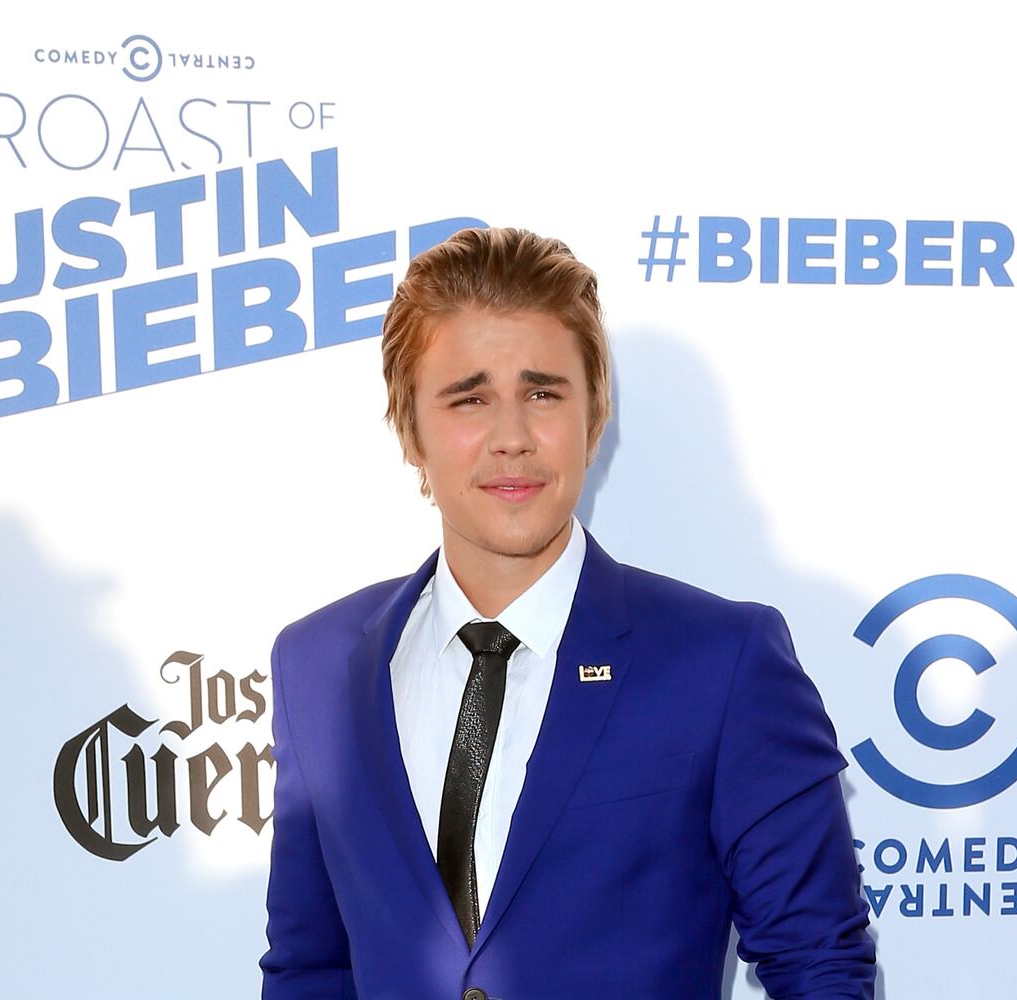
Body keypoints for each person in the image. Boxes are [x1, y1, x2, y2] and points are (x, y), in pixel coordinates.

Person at [260, 227, 876, 999]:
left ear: (595, 415)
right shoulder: (317, 667)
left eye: (542, 393)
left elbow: (818, 967)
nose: (511, 438)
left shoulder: (722, 664)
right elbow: (309, 969)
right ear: (409, 426)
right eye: (470, 398)